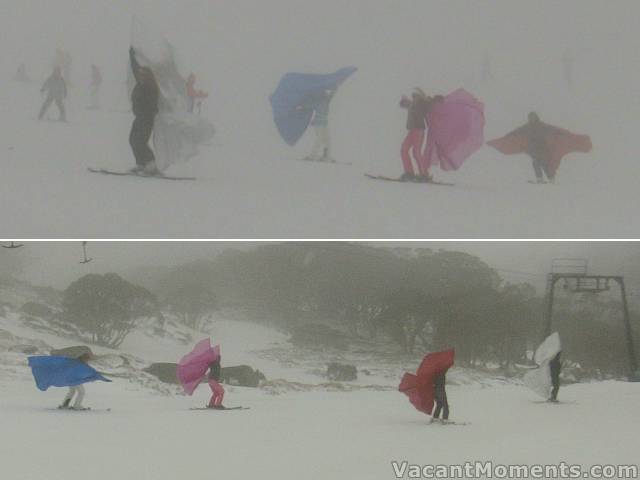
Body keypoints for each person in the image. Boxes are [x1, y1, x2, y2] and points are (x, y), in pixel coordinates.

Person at [129, 47, 160, 174]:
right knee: (132, 139)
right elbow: (134, 68)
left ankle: (151, 164)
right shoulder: (140, 82)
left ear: (148, 75)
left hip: (147, 118)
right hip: (139, 117)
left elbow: (153, 104)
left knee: (140, 141)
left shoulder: (150, 86)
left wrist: (148, 112)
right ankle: (141, 163)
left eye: (143, 74)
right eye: (140, 74)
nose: (140, 75)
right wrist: (131, 54)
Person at [399, 89, 434, 182]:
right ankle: (409, 173)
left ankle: (424, 174)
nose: (414, 97)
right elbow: (407, 105)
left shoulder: (422, 104)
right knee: (404, 149)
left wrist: (429, 100)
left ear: (420, 96)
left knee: (416, 152)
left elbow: (428, 105)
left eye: (416, 95)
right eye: (413, 95)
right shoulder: (413, 104)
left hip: (419, 131)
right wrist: (404, 102)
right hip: (412, 130)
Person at [297, 88, 337, 162]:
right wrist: (300, 106)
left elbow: (333, 93)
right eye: (324, 93)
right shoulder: (317, 101)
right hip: (318, 123)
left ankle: (326, 156)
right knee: (320, 139)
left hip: (324, 122)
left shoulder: (327, 100)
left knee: (328, 139)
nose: (325, 94)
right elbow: (308, 105)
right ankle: (312, 156)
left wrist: (337, 86)